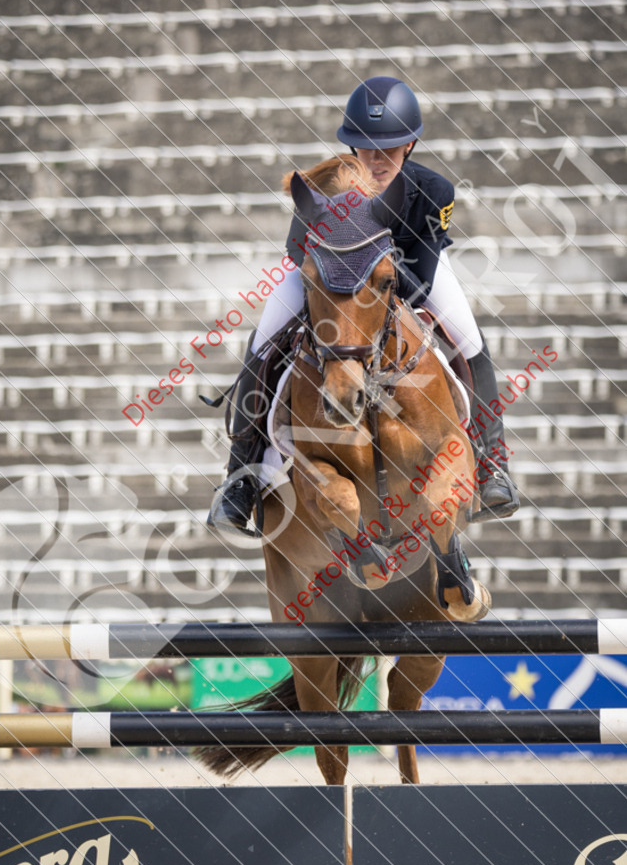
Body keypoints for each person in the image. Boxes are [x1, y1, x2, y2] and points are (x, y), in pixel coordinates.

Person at [208, 76, 519, 534]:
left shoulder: (434, 192)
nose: (376, 160)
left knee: (471, 343)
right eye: (366, 147)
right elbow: (299, 255)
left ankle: (493, 466)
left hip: (410, 278)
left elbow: (424, 274)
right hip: (327, 283)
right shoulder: (324, 188)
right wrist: (335, 285)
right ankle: (240, 480)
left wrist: (374, 278)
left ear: (410, 145)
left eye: (388, 149)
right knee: (261, 344)